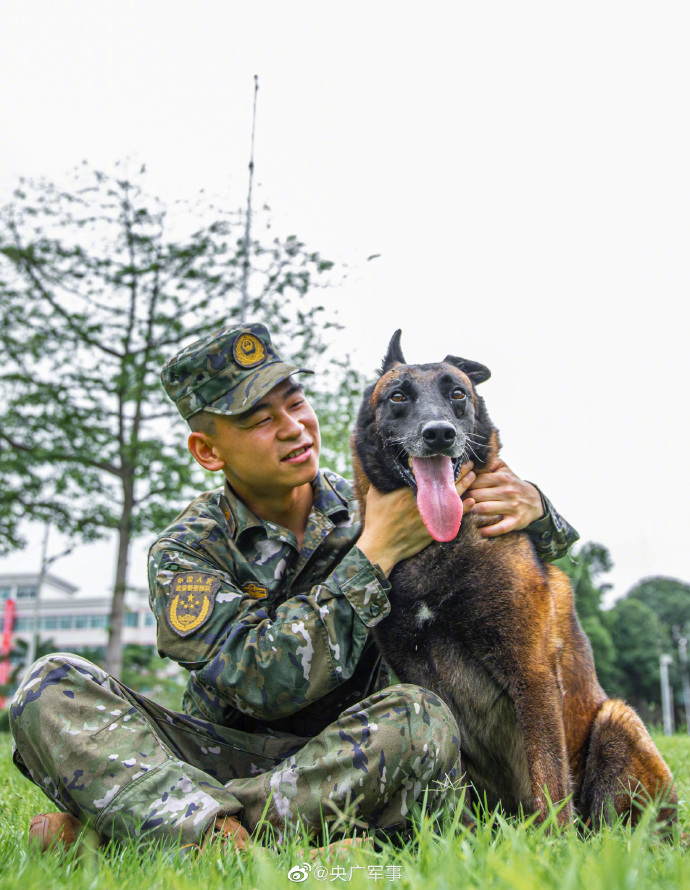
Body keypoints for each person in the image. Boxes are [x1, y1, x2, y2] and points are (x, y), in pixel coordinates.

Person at [10, 323, 578, 853]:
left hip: (359, 752)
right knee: (49, 683)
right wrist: (373, 553)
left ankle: (156, 827)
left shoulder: (377, 497)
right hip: (219, 756)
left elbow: (507, 572)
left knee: (421, 717)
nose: (294, 427)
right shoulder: (187, 550)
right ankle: (220, 830)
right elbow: (261, 683)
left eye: (295, 402)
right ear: (208, 451)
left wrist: (537, 509)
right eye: (259, 419)